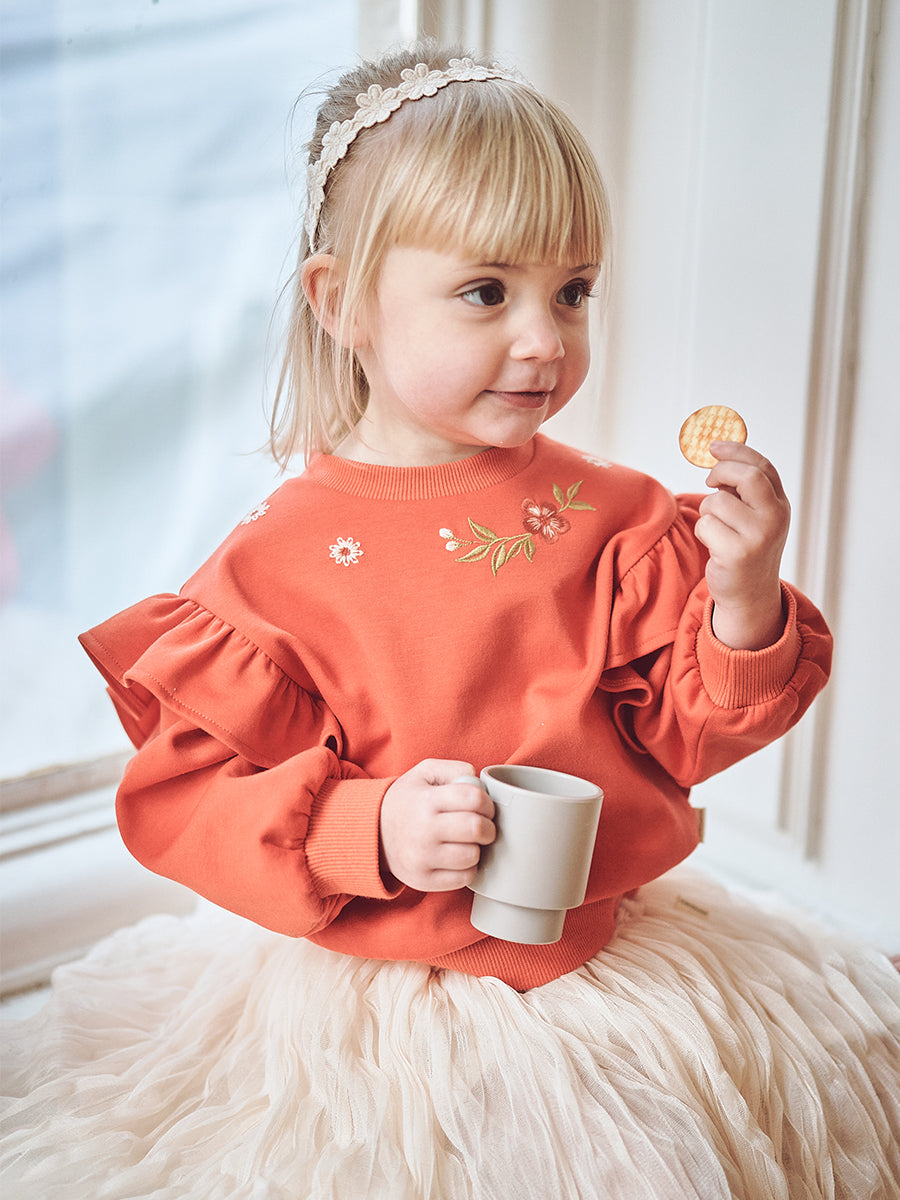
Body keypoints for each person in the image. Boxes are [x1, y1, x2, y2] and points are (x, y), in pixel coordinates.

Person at [3, 42, 898, 1200]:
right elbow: (186, 801)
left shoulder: (616, 516)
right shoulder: (273, 567)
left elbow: (679, 739)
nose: (546, 340)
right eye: (487, 292)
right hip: (366, 1013)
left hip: (598, 969)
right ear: (344, 304)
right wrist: (364, 827)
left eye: (572, 292)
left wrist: (743, 599)